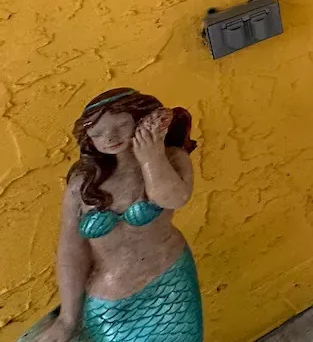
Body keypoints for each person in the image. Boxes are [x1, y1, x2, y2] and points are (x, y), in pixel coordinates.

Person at [32, 88, 201, 342]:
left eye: (121, 125)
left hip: (170, 281)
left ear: (140, 120)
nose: (110, 137)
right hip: (110, 298)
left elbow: (173, 198)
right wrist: (68, 319)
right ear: (88, 138)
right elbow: (71, 251)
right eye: (98, 133)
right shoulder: (82, 184)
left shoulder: (171, 158)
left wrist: (151, 157)